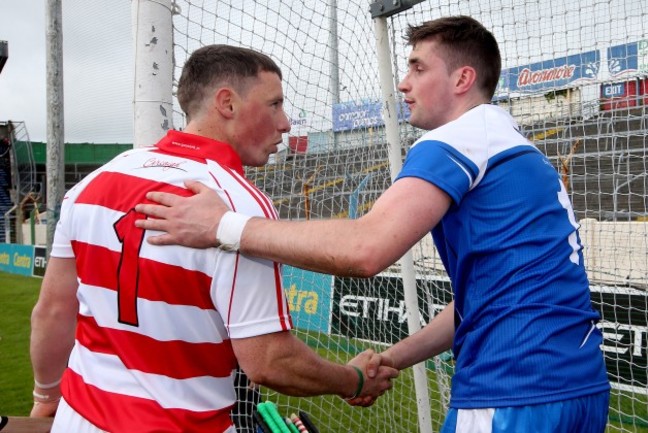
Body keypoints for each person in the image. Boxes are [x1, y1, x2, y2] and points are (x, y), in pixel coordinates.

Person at [134, 16, 611, 432]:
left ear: (463, 78)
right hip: (579, 387)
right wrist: (389, 360)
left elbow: (365, 248)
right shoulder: (518, 149)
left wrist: (225, 226)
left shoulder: (461, 138)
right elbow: (478, 303)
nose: (404, 83)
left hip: (514, 388)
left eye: (419, 68)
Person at [29, 44, 398, 433]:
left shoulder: (93, 183)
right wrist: (353, 379)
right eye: (274, 104)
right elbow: (269, 361)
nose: (286, 122)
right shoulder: (236, 204)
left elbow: (53, 311)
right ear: (227, 103)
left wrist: (46, 397)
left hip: (77, 419)